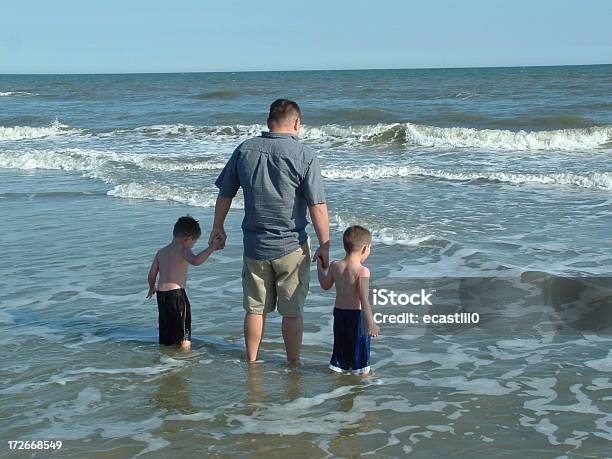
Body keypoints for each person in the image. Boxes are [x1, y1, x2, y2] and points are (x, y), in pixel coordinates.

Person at [210, 99, 330, 364]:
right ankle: (293, 364)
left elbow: (225, 193)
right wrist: (325, 244)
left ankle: (252, 361)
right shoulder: (305, 155)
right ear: (297, 123)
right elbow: (317, 206)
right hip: (292, 246)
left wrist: (217, 227)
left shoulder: (245, 150)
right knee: (292, 312)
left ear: (269, 122)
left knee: (255, 309)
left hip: (255, 245)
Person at [147, 215, 223, 350]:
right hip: (177, 296)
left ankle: (165, 363)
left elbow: (152, 275)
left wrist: (151, 288)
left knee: (166, 333)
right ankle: (186, 361)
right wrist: (212, 247)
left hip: (161, 296)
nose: (192, 246)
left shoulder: (161, 252)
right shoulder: (183, 249)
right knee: (184, 334)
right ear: (188, 238)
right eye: (193, 242)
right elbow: (196, 261)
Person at [317, 225, 379, 375]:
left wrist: (320, 266)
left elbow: (325, 285)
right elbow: (364, 299)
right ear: (365, 249)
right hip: (357, 317)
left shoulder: (335, 265)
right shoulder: (362, 271)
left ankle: (337, 377)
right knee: (361, 354)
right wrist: (371, 323)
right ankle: (362, 382)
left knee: (341, 350)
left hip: (339, 314)